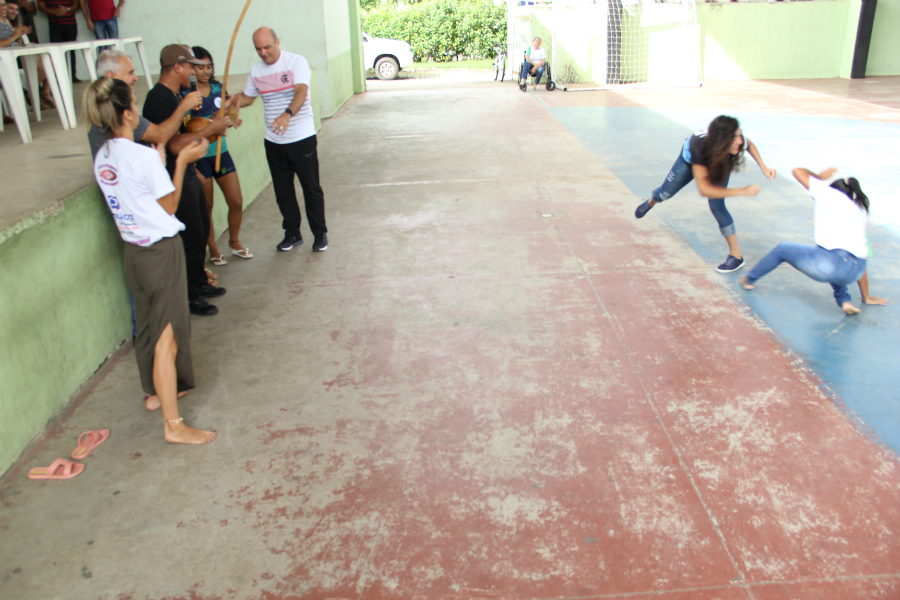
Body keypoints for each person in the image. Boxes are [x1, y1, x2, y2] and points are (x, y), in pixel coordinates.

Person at [86, 76, 216, 444]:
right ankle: (174, 426)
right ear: (128, 114)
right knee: (167, 339)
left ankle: (158, 393)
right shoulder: (141, 156)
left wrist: (158, 162)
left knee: (148, 330)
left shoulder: (104, 157)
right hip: (159, 253)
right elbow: (170, 205)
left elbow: (134, 194)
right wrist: (182, 162)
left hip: (134, 252)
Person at [143, 44, 229, 316]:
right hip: (172, 177)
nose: (195, 72)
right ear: (177, 67)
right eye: (191, 66)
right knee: (191, 236)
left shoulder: (177, 96)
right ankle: (191, 295)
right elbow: (172, 143)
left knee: (201, 229)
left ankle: (200, 282)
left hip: (188, 172)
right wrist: (213, 129)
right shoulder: (160, 99)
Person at [634, 115, 776, 273]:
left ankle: (736, 256)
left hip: (718, 159)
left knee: (717, 205)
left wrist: (764, 167)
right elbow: (704, 189)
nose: (740, 141)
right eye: (735, 138)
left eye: (739, 135)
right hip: (690, 161)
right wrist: (742, 191)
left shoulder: (735, 141)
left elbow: (749, 145)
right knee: (665, 194)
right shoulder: (698, 146)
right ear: (722, 140)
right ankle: (652, 201)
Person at [232, 27, 328, 252]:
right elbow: (247, 98)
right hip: (273, 142)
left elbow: (301, 93)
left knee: (311, 188)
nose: (263, 52)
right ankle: (293, 234)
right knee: (283, 191)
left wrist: (287, 114)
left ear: (277, 42)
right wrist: (230, 100)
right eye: (258, 49)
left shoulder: (296, 62)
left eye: (267, 47)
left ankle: (320, 233)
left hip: (301, 138)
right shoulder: (256, 71)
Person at [740, 168, 887, 315]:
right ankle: (845, 302)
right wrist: (866, 297)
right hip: (857, 269)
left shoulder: (829, 194)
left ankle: (748, 279)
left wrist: (820, 177)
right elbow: (858, 254)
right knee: (835, 257)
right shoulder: (859, 211)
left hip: (832, 264)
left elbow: (797, 171)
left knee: (782, 249)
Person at [185, 46, 252, 265]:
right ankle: (212, 248)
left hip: (221, 152)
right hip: (199, 155)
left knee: (236, 201)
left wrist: (233, 116)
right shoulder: (187, 93)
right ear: (191, 69)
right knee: (207, 206)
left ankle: (234, 241)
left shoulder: (217, 88)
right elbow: (190, 126)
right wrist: (213, 122)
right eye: (200, 67)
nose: (205, 71)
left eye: (209, 66)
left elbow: (228, 114)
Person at [37, 0, 81, 83]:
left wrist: (67, 9)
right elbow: (40, 6)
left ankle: (72, 75)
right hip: (54, 24)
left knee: (71, 50)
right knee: (56, 52)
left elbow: (77, 4)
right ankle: (58, 76)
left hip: (70, 23)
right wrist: (53, 11)